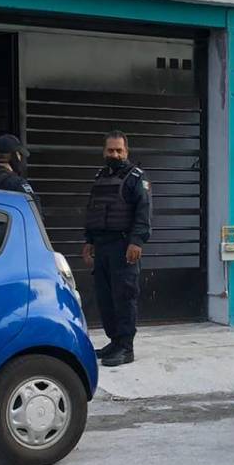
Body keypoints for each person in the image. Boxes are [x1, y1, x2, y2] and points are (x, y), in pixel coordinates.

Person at [81, 131, 152, 368]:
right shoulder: (100, 177)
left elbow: (144, 213)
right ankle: (114, 341)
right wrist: (89, 240)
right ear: (104, 152)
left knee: (124, 296)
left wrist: (136, 242)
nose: (114, 154)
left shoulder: (136, 178)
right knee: (105, 297)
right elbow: (93, 211)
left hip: (124, 246)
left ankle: (126, 347)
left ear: (126, 152)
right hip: (102, 245)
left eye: (119, 150)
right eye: (110, 150)